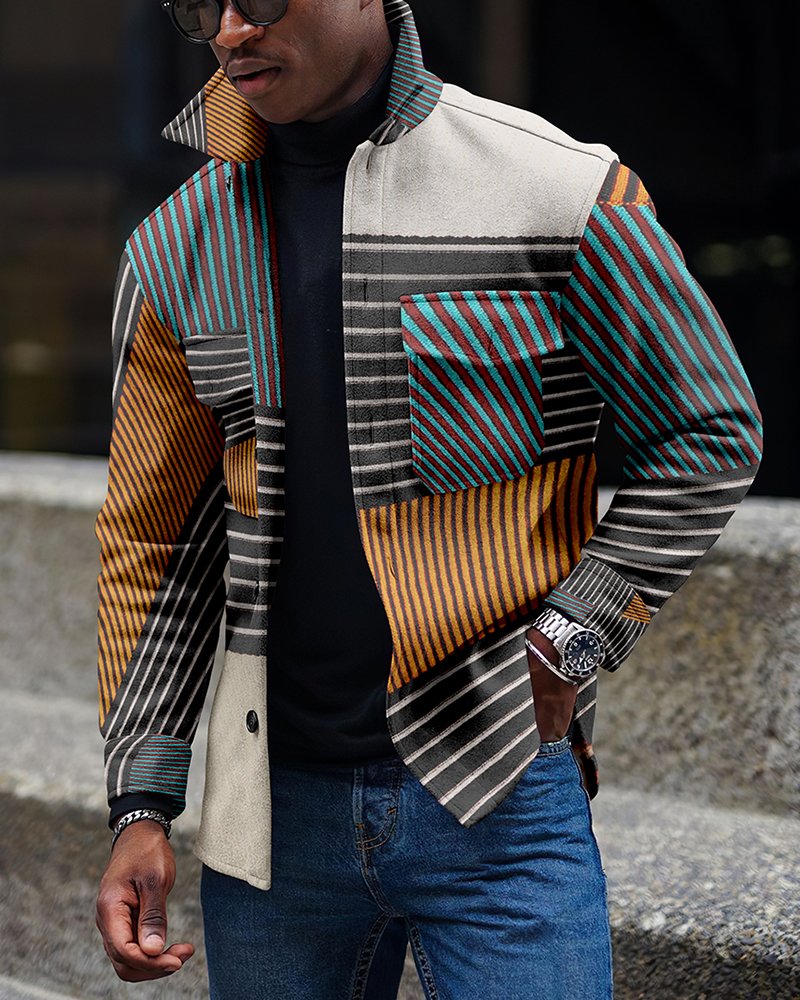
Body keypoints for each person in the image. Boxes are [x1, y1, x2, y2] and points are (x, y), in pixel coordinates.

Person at [93, 0, 762, 997]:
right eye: (200, 7)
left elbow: (706, 431)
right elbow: (156, 543)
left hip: (497, 789)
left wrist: (576, 632)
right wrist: (141, 801)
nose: (230, 31)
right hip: (271, 820)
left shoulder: (557, 188)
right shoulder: (173, 248)